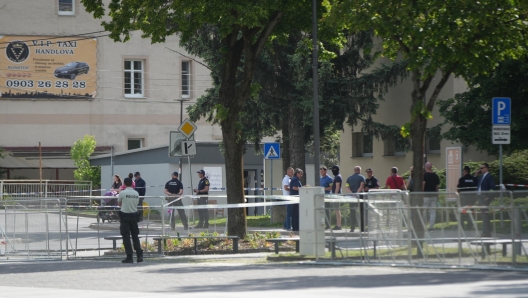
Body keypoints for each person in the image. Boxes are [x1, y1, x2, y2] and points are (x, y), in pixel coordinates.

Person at [118, 177, 143, 263]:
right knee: (135, 236)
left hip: (125, 216)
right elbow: (136, 203)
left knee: (126, 236)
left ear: (124, 184)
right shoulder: (136, 193)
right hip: (134, 216)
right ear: (132, 184)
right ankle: (139, 255)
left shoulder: (122, 193)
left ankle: (129, 257)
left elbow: (119, 204)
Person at [475, 162, 497, 237]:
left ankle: (486, 232)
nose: (480, 169)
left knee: (485, 215)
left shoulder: (489, 176)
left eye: (482, 168)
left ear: (486, 168)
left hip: (484, 197)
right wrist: (475, 176)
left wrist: (488, 197)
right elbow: (476, 184)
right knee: (483, 214)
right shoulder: (481, 177)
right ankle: (485, 231)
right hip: (480, 196)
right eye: (480, 168)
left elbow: (493, 188)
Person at [346, 166, 366, 232]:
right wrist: (357, 193)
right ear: (359, 170)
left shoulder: (349, 178)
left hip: (352, 197)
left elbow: (346, 187)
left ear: (354, 170)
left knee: (352, 212)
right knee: (362, 211)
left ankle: (352, 227)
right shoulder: (362, 177)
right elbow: (362, 185)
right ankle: (362, 228)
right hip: (360, 196)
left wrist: (352, 194)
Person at [422, 162, 440, 231]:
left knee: (424, 210)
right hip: (434, 195)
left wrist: (422, 194)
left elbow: (423, 185)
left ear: (425, 167)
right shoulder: (435, 176)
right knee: (433, 211)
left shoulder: (424, 176)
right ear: (431, 167)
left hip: (426, 195)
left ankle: (423, 225)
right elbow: (437, 187)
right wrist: (437, 196)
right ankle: (431, 226)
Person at [331, 165, 343, 230]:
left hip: (337, 195)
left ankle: (338, 225)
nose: (333, 171)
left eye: (334, 169)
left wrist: (335, 196)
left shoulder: (338, 177)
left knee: (337, 210)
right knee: (336, 210)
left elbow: (337, 187)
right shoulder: (336, 177)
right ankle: (338, 224)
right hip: (336, 195)